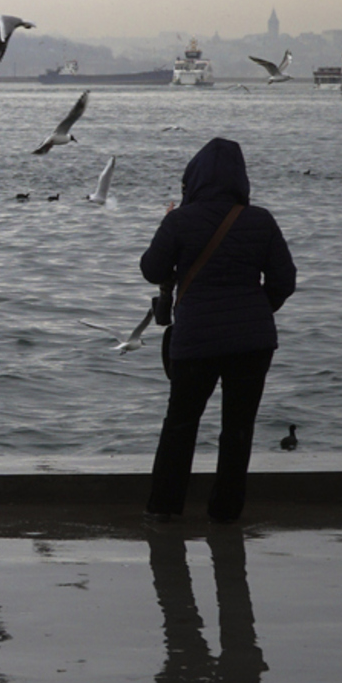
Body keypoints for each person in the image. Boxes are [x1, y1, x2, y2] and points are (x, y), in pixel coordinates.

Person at [140, 137, 296, 524]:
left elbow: (152, 271)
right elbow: (284, 280)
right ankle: (225, 513)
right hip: (253, 343)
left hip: (195, 342)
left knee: (180, 424)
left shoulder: (179, 221)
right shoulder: (261, 220)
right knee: (238, 429)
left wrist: (168, 220)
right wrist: (257, 310)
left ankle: (164, 510)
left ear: (193, 179)